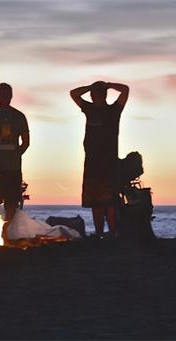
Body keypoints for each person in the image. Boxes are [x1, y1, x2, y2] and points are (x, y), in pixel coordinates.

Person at [70, 80, 129, 237]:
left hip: (109, 162)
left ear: (100, 95)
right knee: (95, 202)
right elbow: (73, 93)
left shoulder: (113, 110)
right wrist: (91, 86)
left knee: (109, 201)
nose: (91, 96)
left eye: (94, 93)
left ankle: (112, 232)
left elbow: (125, 90)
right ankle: (99, 233)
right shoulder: (89, 109)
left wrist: (108, 85)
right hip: (92, 162)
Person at [0, 83, 30, 236]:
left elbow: (26, 142)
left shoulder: (19, 116)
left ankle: (6, 232)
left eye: (6, 94)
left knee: (11, 202)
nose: (4, 98)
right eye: (2, 94)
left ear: (11, 96)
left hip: (12, 166)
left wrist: (16, 154)